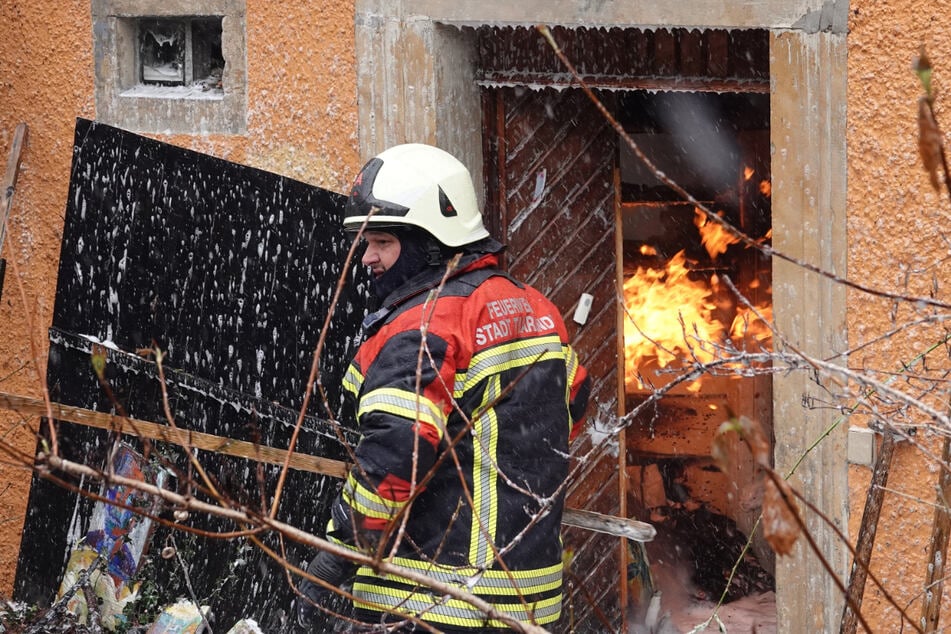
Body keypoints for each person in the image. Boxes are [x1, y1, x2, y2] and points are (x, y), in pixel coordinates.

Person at [297, 143, 590, 632]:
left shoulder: (424, 324)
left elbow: (395, 459)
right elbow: (571, 409)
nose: (366, 257)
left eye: (383, 242)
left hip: (432, 603)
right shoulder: (539, 309)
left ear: (430, 243)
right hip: (531, 604)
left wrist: (336, 557)